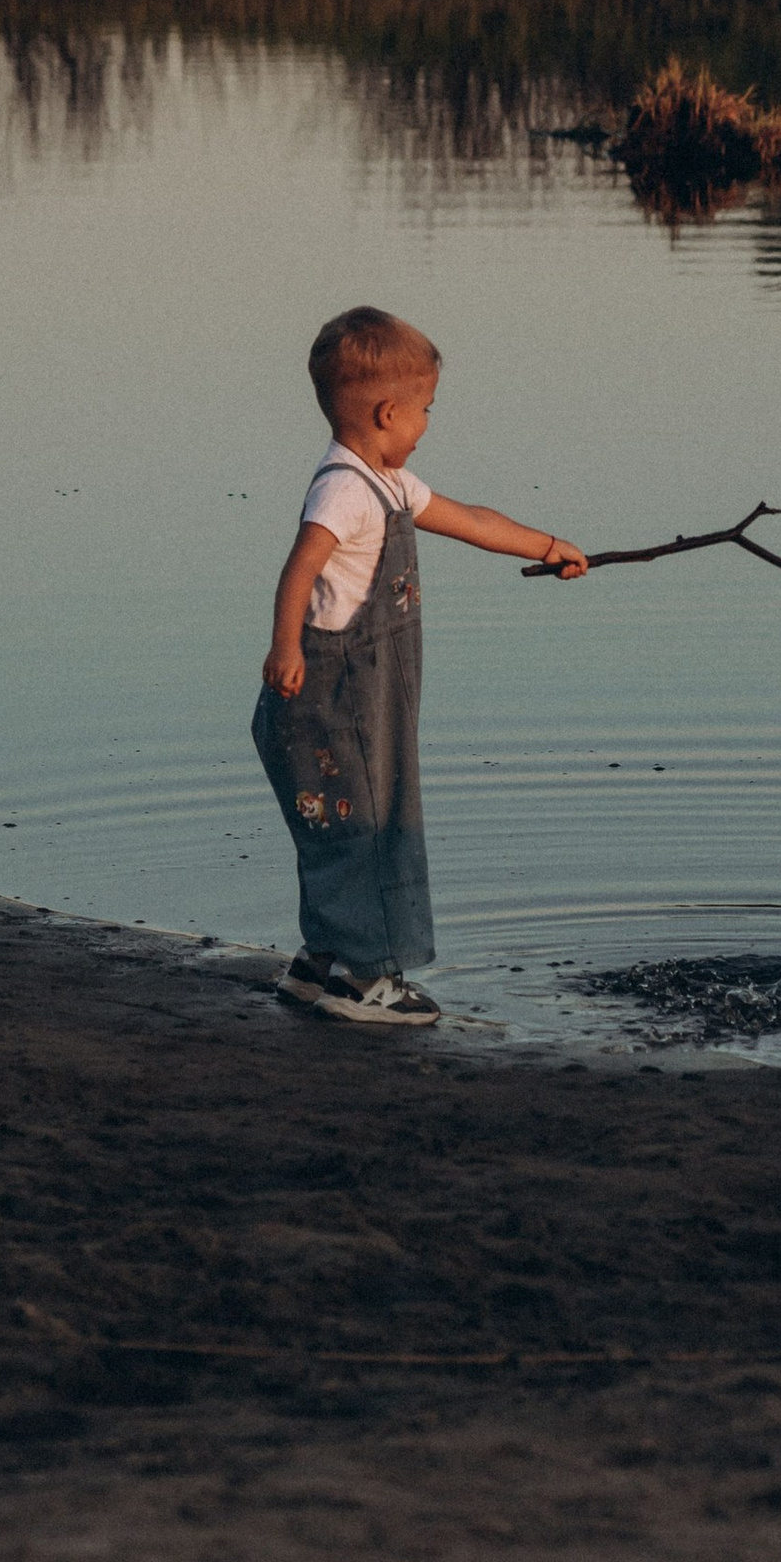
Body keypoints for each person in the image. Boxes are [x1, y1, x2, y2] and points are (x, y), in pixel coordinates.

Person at [254, 305, 585, 1026]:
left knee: (338, 820)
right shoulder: (343, 488)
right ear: (387, 411)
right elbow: (301, 563)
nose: (429, 422)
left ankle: (319, 963)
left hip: (366, 693)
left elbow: (472, 519)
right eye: (426, 409)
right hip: (335, 693)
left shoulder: (387, 484)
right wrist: (284, 644)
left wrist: (547, 545)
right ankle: (367, 981)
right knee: (368, 822)